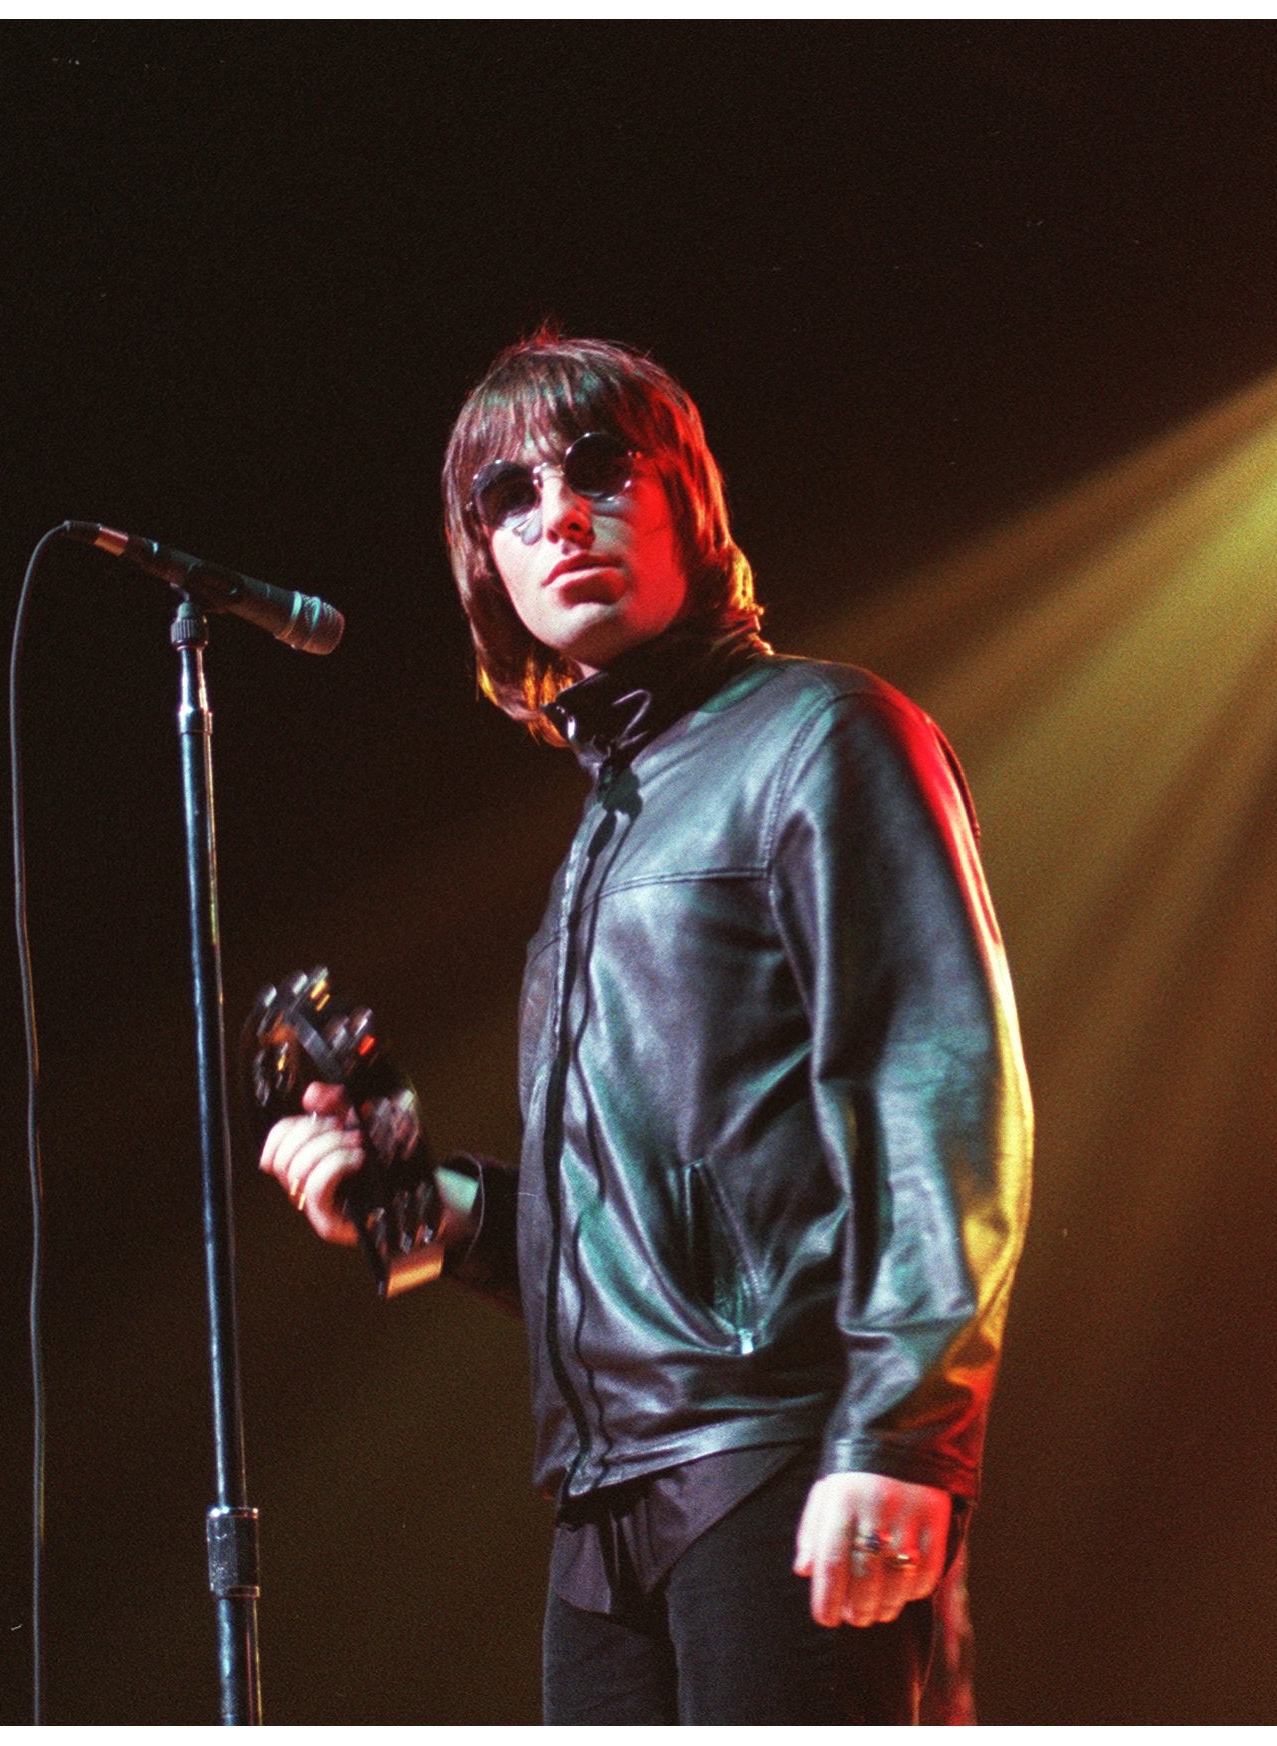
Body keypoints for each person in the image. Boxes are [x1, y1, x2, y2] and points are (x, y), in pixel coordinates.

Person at [258, 330, 1031, 1724]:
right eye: (507, 495)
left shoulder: (822, 733)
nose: (557, 510)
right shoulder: (607, 825)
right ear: (479, 559)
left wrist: (901, 1429)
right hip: (604, 1510)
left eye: (600, 467)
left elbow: (937, 1079)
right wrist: (421, 1202)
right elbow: (640, 1217)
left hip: (780, 1461)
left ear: (687, 499)